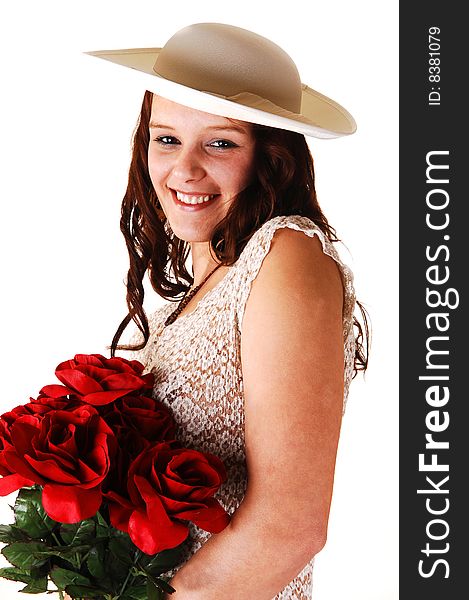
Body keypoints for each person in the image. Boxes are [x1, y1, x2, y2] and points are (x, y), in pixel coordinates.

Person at [87, 22, 369, 599]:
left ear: (272, 157)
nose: (184, 170)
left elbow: (290, 528)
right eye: (166, 139)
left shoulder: (286, 256)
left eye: (220, 142)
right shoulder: (206, 281)